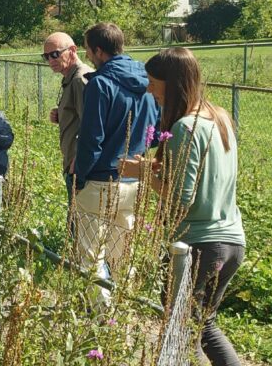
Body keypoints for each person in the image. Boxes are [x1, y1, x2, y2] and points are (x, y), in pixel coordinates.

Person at [121, 47, 244, 366]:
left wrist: (143, 174)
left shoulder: (184, 127)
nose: (149, 89)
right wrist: (158, 167)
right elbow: (207, 176)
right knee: (202, 328)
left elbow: (181, 200)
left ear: (171, 83)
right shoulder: (219, 118)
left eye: (153, 82)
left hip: (199, 244)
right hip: (231, 240)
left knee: (182, 332)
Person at [73, 22, 159, 310]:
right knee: (123, 252)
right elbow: (156, 131)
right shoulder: (147, 82)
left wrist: (80, 176)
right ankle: (125, 311)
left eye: (88, 49)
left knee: (91, 253)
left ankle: (102, 315)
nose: (88, 54)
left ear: (98, 50)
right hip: (133, 180)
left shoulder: (101, 83)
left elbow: (91, 137)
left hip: (100, 180)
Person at [43, 32, 95, 202]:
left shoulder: (80, 79)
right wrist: (62, 115)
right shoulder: (70, 78)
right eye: (46, 56)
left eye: (55, 54)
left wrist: (77, 162)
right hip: (74, 164)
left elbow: (91, 125)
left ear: (72, 50)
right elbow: (79, 116)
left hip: (78, 167)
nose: (51, 60)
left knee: (77, 222)